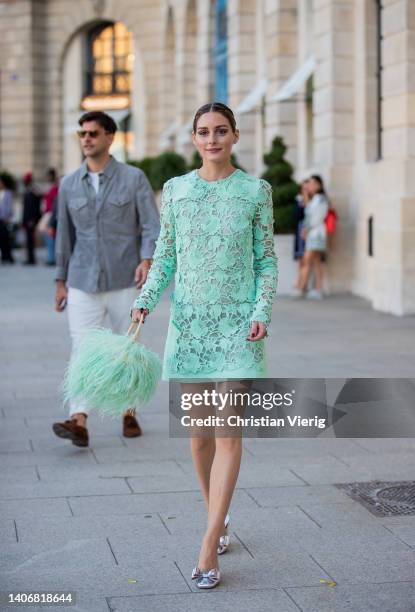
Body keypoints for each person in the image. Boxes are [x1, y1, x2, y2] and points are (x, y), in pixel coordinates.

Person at [131, 102, 278, 589]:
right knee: (198, 439)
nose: (211, 139)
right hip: (190, 330)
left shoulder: (256, 192)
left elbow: (267, 264)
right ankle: (221, 517)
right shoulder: (175, 191)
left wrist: (261, 314)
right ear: (193, 139)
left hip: (239, 331)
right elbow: (164, 258)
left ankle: (208, 540)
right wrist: (145, 301)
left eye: (220, 131)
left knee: (229, 436)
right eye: (203, 132)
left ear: (235, 134)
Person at [52, 111, 160, 447]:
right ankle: (78, 418)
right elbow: (64, 237)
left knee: (127, 350)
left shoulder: (133, 178)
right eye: (82, 133)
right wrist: (60, 280)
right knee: (82, 350)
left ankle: (129, 411)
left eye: (93, 133)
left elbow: (150, 225)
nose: (86, 139)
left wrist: (147, 259)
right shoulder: (69, 184)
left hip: (126, 278)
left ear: (110, 137)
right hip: (82, 280)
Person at [294, 174, 329, 299]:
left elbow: (316, 218)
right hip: (313, 233)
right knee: (316, 262)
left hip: (316, 234)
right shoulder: (315, 199)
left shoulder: (320, 199)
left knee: (307, 260)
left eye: (313, 184)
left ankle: (300, 287)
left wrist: (306, 229)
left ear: (319, 185)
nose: (311, 186)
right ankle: (318, 289)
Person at [291, 179, 310, 294]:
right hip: (300, 232)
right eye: (303, 188)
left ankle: (301, 284)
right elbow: (296, 216)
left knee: (307, 259)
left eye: (307, 188)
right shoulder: (299, 200)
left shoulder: (313, 201)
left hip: (309, 232)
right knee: (301, 259)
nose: (305, 191)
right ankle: (302, 284)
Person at [40, 168, 59, 266]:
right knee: (49, 237)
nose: (47, 178)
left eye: (48, 176)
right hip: (48, 213)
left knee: (51, 236)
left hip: (51, 214)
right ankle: (51, 257)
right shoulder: (50, 187)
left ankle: (52, 258)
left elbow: (55, 204)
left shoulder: (55, 188)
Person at [21, 172, 42, 265]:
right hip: (27, 220)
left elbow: (33, 208)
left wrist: (32, 220)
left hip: (30, 220)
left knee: (30, 240)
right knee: (28, 240)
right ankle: (29, 258)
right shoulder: (29, 191)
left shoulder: (33, 192)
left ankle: (31, 259)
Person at [0, 175, 15, 264]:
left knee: (5, 238)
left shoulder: (8, 193)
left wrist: (8, 217)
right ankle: (3, 256)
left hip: (4, 219)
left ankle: (8, 256)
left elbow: (9, 206)